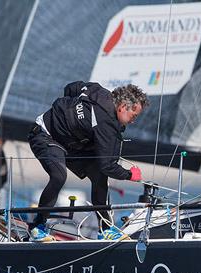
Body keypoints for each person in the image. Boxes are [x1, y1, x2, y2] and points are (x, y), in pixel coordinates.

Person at [28, 81, 148, 242]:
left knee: (98, 176)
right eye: (134, 116)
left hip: (71, 144)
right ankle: (37, 227)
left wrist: (72, 121)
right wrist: (129, 175)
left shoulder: (99, 90)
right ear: (123, 107)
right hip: (44, 135)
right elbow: (108, 166)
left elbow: (71, 87)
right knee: (59, 176)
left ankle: (105, 229)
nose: (133, 121)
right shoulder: (107, 125)